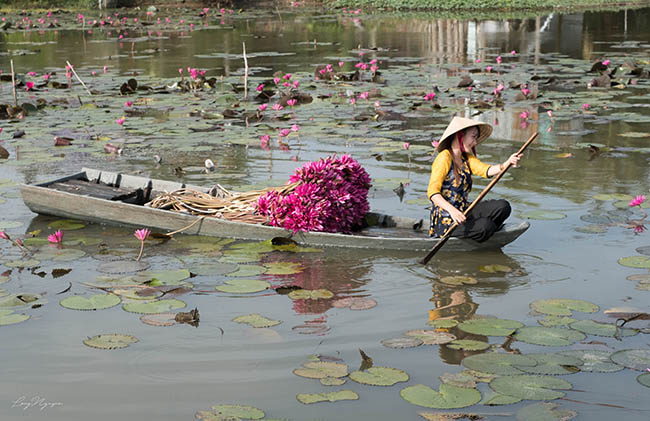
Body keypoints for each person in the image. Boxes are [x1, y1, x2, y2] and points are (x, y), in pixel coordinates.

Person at [427, 117, 522, 242]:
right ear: (460, 135)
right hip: (448, 220)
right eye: (473, 137)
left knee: (503, 207)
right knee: (485, 226)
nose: (475, 142)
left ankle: (482, 233)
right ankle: (482, 232)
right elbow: (433, 193)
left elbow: (486, 170)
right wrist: (453, 212)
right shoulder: (444, 157)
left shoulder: (466, 158)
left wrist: (507, 163)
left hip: (465, 212)